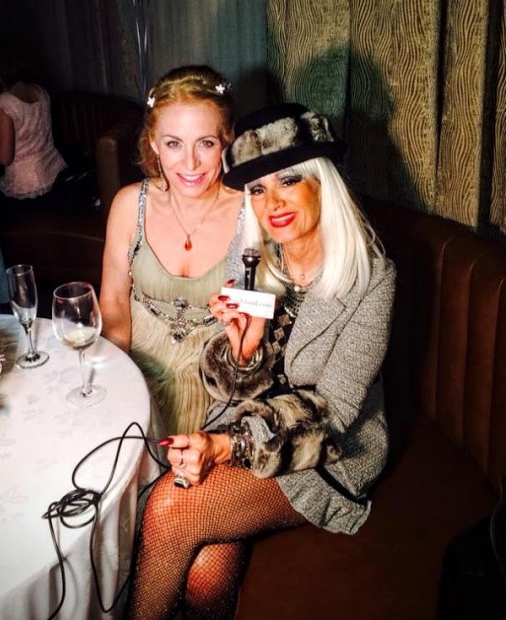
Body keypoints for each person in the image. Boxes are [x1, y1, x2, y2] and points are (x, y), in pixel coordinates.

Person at [126, 103, 396, 619]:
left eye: (289, 180)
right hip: (244, 422)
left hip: (327, 449)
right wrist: (243, 352)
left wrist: (229, 445)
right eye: (256, 189)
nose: (272, 203)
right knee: (206, 573)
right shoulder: (251, 252)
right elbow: (224, 384)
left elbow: (335, 410)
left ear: (322, 183)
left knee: (169, 507)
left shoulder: (373, 277)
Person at [99, 65, 244, 435]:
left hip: (218, 383)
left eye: (206, 143)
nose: (190, 163)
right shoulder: (129, 204)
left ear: (226, 140)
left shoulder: (253, 211)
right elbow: (113, 304)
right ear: (153, 143)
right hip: (135, 367)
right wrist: (117, 382)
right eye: (173, 143)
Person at [0, 39, 66, 206]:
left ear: (1, 63)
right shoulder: (39, 91)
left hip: (26, 187)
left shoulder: (2, 103)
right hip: (54, 173)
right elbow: (20, 137)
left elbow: (4, 157)